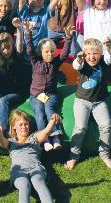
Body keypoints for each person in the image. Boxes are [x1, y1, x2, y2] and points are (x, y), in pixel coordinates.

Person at [65, 38, 111, 170]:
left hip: (99, 102)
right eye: (88, 54)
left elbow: (110, 58)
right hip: (82, 101)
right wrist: (79, 59)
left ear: (100, 54)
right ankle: (73, 156)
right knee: (80, 127)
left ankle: (105, 155)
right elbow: (76, 65)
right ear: (84, 54)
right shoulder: (83, 64)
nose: (91, 57)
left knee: (106, 126)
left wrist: (110, 47)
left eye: (95, 53)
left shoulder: (103, 62)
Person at [24, 20, 75, 151]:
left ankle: (56, 137)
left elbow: (64, 54)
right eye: (47, 51)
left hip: (50, 95)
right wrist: (28, 34)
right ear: (41, 52)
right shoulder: (36, 62)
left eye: (52, 51)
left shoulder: (55, 63)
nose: (50, 54)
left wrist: (68, 38)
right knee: (39, 113)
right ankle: (45, 138)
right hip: (36, 96)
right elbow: (29, 50)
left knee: (50, 111)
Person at [0, 110, 60, 203]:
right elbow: (1, 142)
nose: (24, 127)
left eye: (26, 124)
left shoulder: (34, 138)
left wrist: (53, 120)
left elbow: (45, 132)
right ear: (14, 127)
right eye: (20, 125)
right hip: (18, 171)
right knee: (24, 185)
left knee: (38, 181)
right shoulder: (11, 142)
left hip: (36, 167)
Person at [0, 17, 28, 136]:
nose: (6, 51)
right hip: (3, 91)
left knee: (3, 101)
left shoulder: (16, 56)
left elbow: (19, 44)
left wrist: (19, 29)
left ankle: (1, 131)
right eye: (3, 49)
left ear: (12, 46)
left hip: (17, 92)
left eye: (8, 48)